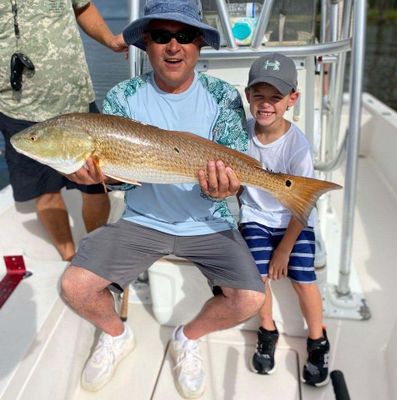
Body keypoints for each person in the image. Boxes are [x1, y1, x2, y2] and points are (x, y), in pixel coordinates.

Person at [60, 0, 265, 398]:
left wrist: (227, 187)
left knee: (250, 298)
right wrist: (94, 178)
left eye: (184, 35)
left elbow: (235, 173)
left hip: (210, 221)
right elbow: (121, 185)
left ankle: (187, 338)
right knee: (74, 286)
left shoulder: (223, 96)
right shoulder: (123, 96)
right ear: (146, 44)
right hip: (142, 221)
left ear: (199, 44)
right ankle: (117, 335)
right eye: (161, 36)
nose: (173, 46)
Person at [0, 1, 128, 261]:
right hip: (17, 107)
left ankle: (95, 256)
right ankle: (70, 258)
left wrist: (110, 41)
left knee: (95, 185)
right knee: (44, 192)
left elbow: (83, 7)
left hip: (75, 101)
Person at [239, 53, 330, 386]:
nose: (266, 104)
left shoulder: (299, 148)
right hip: (256, 216)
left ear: (292, 99)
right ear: (247, 95)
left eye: (275, 97)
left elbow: (302, 206)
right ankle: (267, 328)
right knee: (256, 273)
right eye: (259, 95)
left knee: (303, 277)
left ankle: (317, 339)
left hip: (295, 218)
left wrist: (284, 251)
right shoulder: (241, 134)